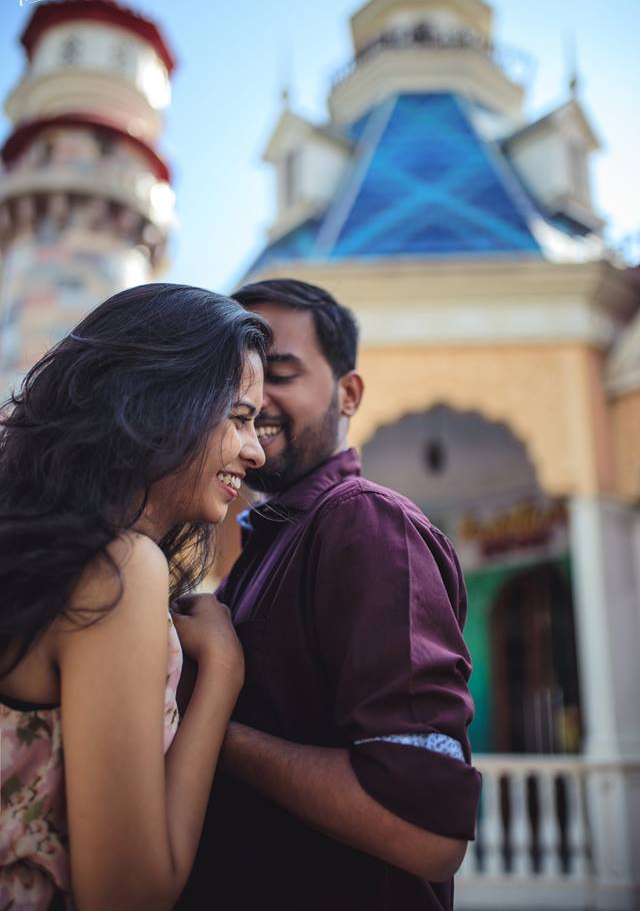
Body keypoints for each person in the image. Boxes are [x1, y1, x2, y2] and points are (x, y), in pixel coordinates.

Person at [177, 279, 482, 911]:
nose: (255, 400)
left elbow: (426, 830)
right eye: (237, 382)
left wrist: (208, 730)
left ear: (349, 393)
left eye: (279, 373)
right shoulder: (268, 543)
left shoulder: (365, 525)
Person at [0, 283, 270, 911]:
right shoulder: (117, 568)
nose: (256, 451)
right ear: (162, 402)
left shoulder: (45, 553)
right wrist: (224, 672)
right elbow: (127, 895)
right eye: (240, 417)